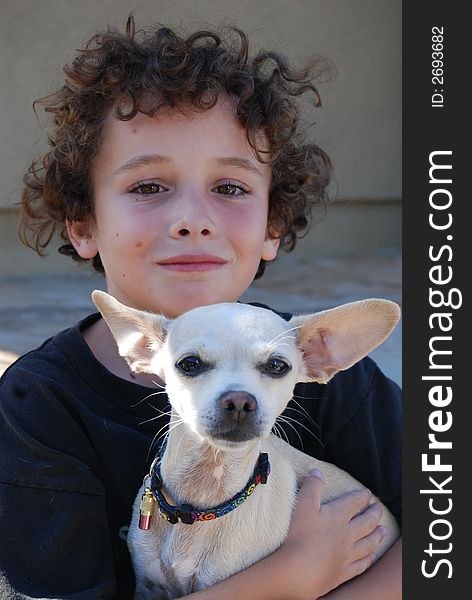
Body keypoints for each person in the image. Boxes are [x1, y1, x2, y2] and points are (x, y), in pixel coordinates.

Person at [0, 17, 402, 600]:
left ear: (272, 227)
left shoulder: (313, 368)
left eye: (231, 188)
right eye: (148, 187)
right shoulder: (37, 407)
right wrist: (286, 579)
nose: (194, 218)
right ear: (84, 224)